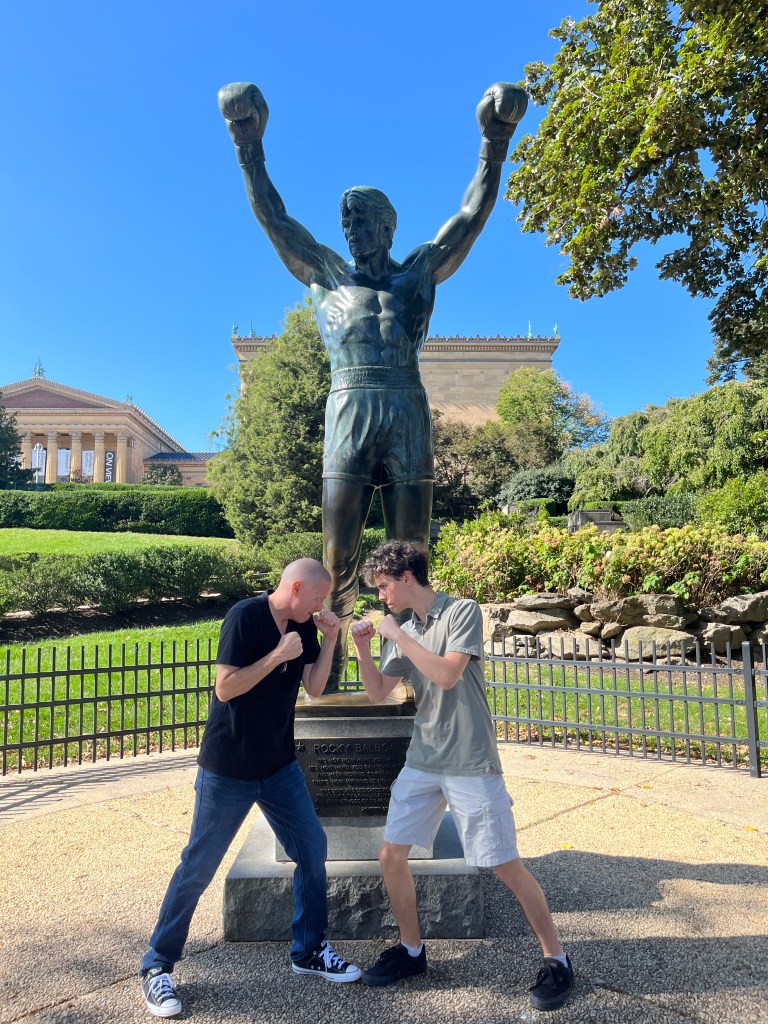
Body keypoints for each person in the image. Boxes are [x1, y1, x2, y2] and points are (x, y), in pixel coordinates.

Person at [217, 79, 527, 688]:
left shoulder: (418, 275)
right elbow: (273, 216)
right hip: (349, 405)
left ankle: (404, 671)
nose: (351, 230)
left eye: (362, 221)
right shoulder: (325, 275)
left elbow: (471, 216)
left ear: (388, 227)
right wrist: (247, 141)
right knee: (338, 555)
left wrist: (495, 140)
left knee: (411, 552)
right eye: (345, 221)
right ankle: (326, 676)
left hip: (406, 406)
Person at [350, 541, 574, 1012]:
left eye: (385, 587)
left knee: (503, 865)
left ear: (407, 577)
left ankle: (556, 960)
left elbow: (448, 674)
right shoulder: (402, 629)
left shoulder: (461, 612)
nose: (382, 597)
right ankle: (412, 952)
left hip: (471, 759)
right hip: (424, 757)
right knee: (391, 854)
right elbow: (377, 693)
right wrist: (364, 648)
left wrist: (397, 634)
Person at [139, 559, 361, 1018]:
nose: (322, 606)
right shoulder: (245, 615)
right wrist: (277, 656)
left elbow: (315, 689)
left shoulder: (305, 625)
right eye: (318, 597)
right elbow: (225, 688)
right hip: (229, 768)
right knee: (198, 866)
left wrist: (332, 638)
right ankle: (158, 966)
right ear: (295, 587)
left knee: (313, 850)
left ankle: (309, 951)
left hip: (279, 766)